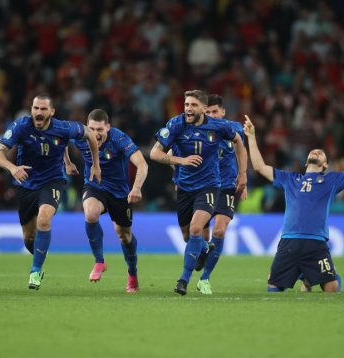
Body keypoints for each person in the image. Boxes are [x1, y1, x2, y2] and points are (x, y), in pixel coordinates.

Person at [244, 115, 344, 292]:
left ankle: (316, 277)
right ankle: (306, 276)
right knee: (273, 288)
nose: (316, 152)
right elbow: (259, 167)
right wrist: (251, 137)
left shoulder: (331, 180)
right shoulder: (290, 178)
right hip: (289, 241)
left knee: (331, 288)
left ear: (325, 165)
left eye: (320, 153)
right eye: (313, 152)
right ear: (306, 161)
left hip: (316, 243)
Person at [0, 94, 101, 290]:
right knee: (28, 238)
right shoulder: (21, 126)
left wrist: (95, 165)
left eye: (43, 109)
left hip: (53, 180)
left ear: (52, 112)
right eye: (36, 108)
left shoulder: (64, 127)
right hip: (26, 183)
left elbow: (90, 135)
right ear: (31, 110)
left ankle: (35, 271)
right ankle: (40, 254)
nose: (38, 113)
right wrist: (12, 168)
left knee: (44, 219)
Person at [150, 89, 247, 295]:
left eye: (193, 105)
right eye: (186, 105)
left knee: (197, 228)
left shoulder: (219, 126)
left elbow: (239, 141)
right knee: (188, 236)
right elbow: (154, 153)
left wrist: (243, 174)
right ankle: (204, 248)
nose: (189, 109)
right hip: (185, 188)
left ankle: (184, 279)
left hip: (210, 186)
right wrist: (180, 161)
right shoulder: (176, 124)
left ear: (203, 108)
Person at [64, 109, 148, 293]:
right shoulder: (80, 134)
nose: (96, 133)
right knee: (90, 213)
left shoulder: (119, 139)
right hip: (95, 186)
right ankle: (99, 261)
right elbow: (60, 135)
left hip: (119, 194)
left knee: (124, 236)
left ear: (108, 127)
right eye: (92, 128)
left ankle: (132, 273)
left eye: (100, 129)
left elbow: (142, 164)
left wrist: (136, 188)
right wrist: (67, 162)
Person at [195, 94, 247, 295]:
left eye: (215, 111)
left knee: (219, 231)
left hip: (226, 186)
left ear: (223, 112)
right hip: (202, 185)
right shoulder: (196, 129)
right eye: (207, 112)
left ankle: (205, 279)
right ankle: (202, 251)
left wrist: (244, 178)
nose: (211, 115)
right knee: (200, 232)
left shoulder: (233, 128)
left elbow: (241, 149)